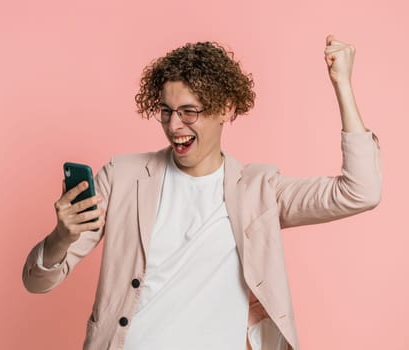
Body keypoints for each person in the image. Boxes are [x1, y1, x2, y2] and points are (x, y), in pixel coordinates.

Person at [22, 35, 382, 350]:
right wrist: (60, 237)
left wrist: (343, 86)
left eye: (189, 112)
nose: (174, 125)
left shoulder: (260, 190)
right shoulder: (122, 176)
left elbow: (360, 191)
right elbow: (37, 282)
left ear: (226, 108)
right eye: (165, 111)